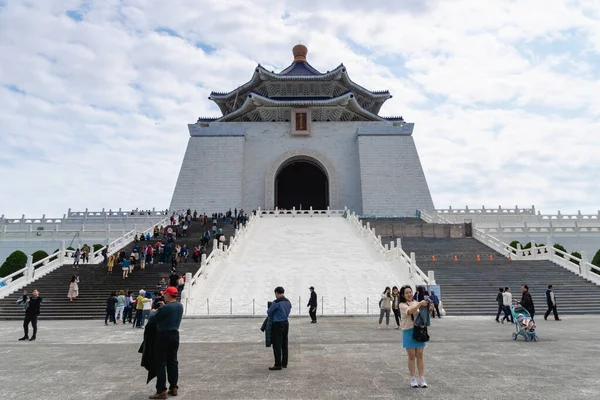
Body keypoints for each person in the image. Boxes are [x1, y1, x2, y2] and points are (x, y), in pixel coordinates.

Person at [148, 286, 184, 398]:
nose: (163, 296)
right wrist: (163, 307)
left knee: (160, 363)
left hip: (163, 335)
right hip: (175, 335)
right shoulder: (180, 306)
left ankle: (161, 390)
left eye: (164, 295)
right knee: (172, 361)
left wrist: (153, 311)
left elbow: (152, 319)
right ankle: (173, 387)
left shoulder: (164, 308)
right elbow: (170, 311)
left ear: (168, 295)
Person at [399, 285, 430, 388]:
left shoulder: (417, 303)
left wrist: (429, 307)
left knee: (420, 355)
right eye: (406, 293)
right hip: (408, 331)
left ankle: (422, 378)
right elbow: (409, 311)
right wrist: (420, 304)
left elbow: (424, 315)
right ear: (403, 295)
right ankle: (413, 378)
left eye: (410, 292)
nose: (409, 294)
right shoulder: (402, 304)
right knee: (412, 356)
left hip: (418, 330)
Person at [267, 287, 292, 370]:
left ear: (277, 293)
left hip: (277, 324)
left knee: (277, 344)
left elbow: (269, 312)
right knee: (284, 343)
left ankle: (278, 364)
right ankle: (284, 363)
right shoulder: (288, 301)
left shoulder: (276, 302)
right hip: (285, 323)